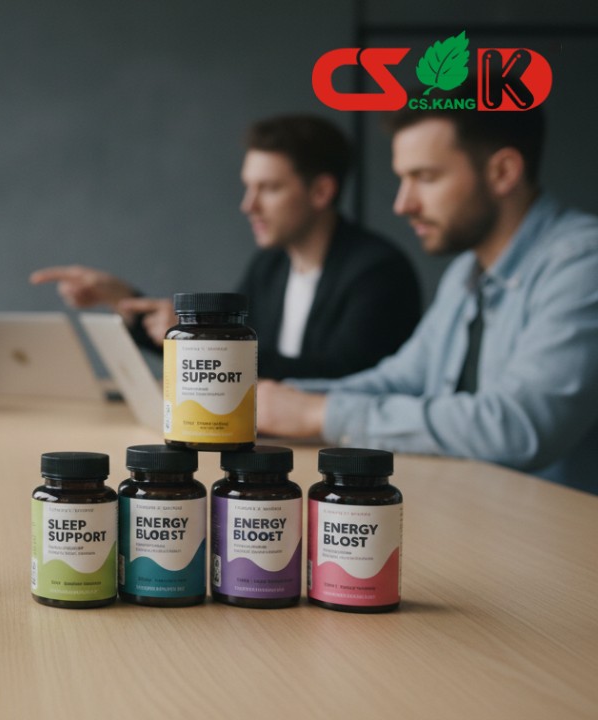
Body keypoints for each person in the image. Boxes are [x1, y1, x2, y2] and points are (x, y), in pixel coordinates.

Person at [258, 106, 598, 493]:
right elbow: (403, 379)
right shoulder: (466, 270)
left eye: (425, 177)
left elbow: (521, 426)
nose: (403, 204)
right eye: (403, 179)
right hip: (486, 514)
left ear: (503, 172)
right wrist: (281, 400)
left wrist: (321, 414)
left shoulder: (584, 263)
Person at [31, 115, 421, 380]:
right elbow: (231, 356)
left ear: (321, 191)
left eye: (268, 188)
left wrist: (201, 337)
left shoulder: (379, 273)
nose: (248, 204)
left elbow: (341, 378)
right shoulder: (269, 266)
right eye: (248, 186)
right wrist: (124, 301)